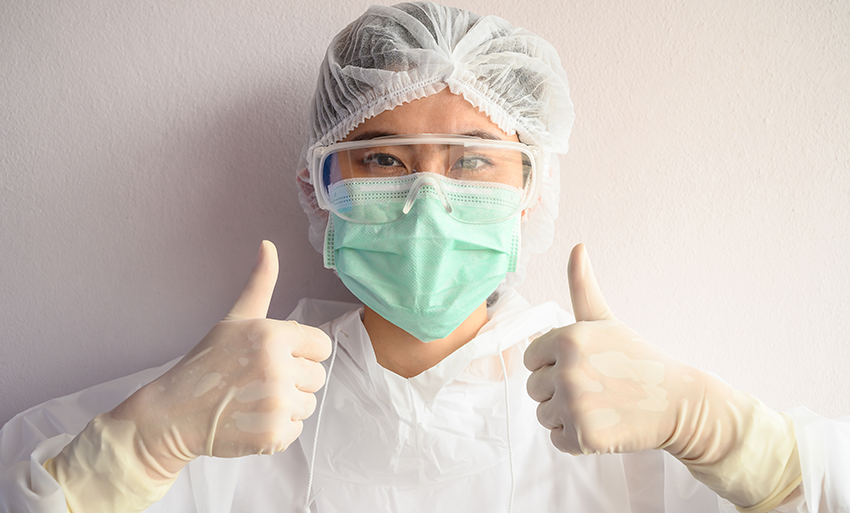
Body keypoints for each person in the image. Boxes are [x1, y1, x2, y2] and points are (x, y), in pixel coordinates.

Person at [1, 2, 848, 512]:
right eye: (381, 159)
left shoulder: (633, 419)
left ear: (533, 190)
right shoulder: (216, 414)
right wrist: (131, 451)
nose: (428, 199)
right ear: (317, 186)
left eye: (473, 159)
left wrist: (734, 436)